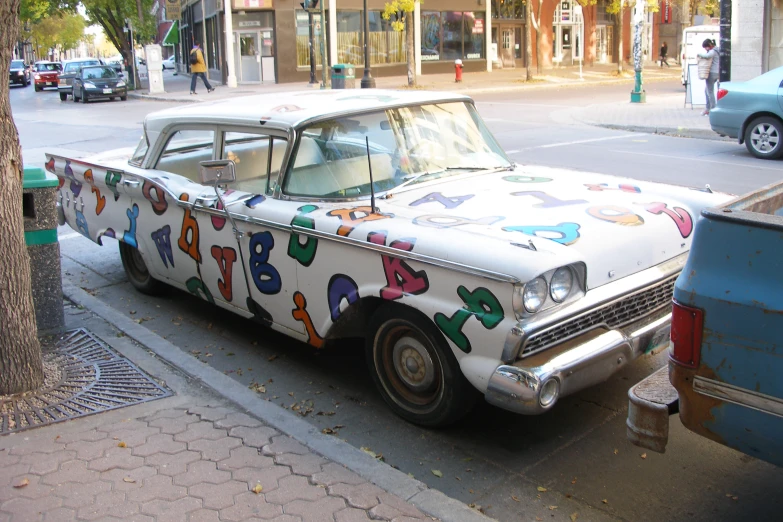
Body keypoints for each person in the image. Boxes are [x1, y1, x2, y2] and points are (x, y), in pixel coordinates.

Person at [697, 38, 720, 116]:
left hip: (712, 73)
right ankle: (708, 108)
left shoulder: (712, 51)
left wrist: (699, 54)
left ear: (709, 45)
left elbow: (707, 56)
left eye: (705, 47)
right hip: (718, 73)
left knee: (709, 91)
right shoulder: (718, 50)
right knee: (707, 90)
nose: (705, 49)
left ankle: (712, 109)